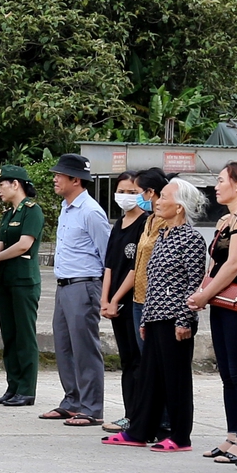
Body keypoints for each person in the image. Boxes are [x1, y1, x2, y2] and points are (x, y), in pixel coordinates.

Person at [104, 177, 209, 450]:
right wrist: (146, 317)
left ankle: (179, 436)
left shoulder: (192, 239)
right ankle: (139, 431)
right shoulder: (162, 236)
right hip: (154, 317)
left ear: (180, 207)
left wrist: (185, 320)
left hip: (175, 319)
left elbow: (192, 284)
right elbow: (151, 279)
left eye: (164, 197)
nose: (158, 201)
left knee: (176, 380)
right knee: (149, 378)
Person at [186, 162, 237, 462]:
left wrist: (205, 292)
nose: (216, 187)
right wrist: (203, 293)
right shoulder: (225, 221)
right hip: (219, 302)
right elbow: (216, 265)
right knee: (227, 373)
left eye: (221, 181)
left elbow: (235, 265)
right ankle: (231, 436)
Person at [44, 154, 110, 426]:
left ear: (76, 179)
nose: (55, 179)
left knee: (84, 347)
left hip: (84, 285)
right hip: (65, 285)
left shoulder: (91, 212)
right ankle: (72, 401)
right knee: (64, 345)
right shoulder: (66, 207)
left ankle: (91, 407)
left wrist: (106, 295)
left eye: (60, 175)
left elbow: (108, 255)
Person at [0, 164, 44, 407]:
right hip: (6, 281)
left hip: (24, 282)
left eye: (2, 185)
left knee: (24, 335)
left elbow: (24, 245)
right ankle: (13, 385)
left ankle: (26, 389)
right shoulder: (8, 214)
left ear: (16, 184)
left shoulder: (32, 211)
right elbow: (0, 245)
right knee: (9, 335)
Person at [98, 171, 148, 434]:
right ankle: (130, 414)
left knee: (140, 361)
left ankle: (140, 416)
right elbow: (110, 265)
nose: (126, 197)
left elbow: (136, 268)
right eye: (122, 191)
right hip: (114, 302)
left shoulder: (145, 223)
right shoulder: (118, 223)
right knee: (128, 360)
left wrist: (116, 298)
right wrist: (105, 298)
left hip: (133, 301)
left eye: (132, 192)